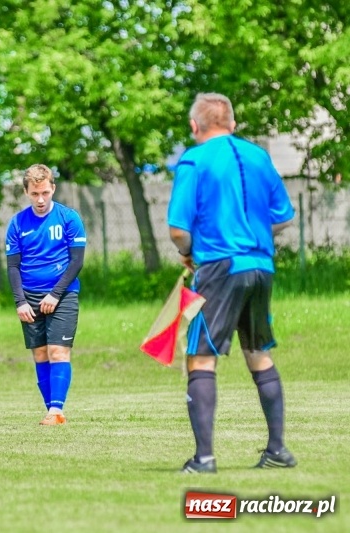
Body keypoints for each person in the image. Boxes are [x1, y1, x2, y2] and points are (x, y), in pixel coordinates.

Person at [168, 93, 297, 473]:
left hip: (219, 267)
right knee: (258, 352)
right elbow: (284, 216)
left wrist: (190, 253)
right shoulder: (259, 156)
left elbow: (178, 230)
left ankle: (204, 459)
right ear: (233, 124)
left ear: (194, 126)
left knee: (201, 357)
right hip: (261, 266)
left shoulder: (193, 160)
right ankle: (277, 450)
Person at [5, 164, 87, 425]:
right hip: (29, 298)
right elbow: (13, 267)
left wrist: (55, 294)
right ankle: (52, 411)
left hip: (63, 295)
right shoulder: (17, 223)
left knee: (58, 352)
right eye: (34, 194)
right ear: (26, 192)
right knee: (40, 354)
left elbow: (77, 262)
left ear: (53, 188)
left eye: (44, 193)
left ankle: (56, 410)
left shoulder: (69, 218)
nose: (40, 200)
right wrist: (20, 301)